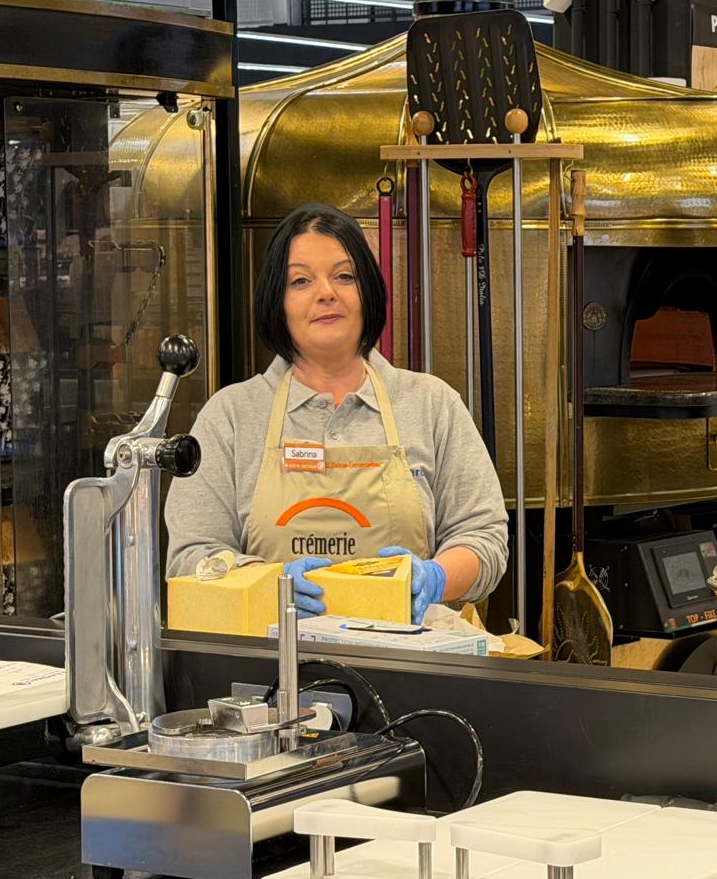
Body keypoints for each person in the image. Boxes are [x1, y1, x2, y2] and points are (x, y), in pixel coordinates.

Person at [165, 204, 507, 623]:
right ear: (278, 300)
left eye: (344, 276)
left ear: (368, 292)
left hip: (414, 672)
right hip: (270, 674)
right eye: (301, 280)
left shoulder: (432, 404)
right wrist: (270, 585)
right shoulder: (231, 416)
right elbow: (190, 556)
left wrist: (436, 577)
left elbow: (484, 536)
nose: (326, 292)